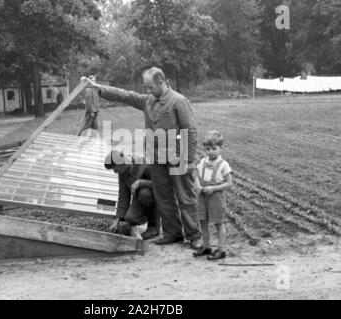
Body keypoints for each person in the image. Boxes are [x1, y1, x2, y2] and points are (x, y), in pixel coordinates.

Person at [82, 67, 202, 248]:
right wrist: (99, 88)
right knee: (164, 198)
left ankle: (194, 236)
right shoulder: (148, 101)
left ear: (161, 82)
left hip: (178, 157)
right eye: (146, 88)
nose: (147, 91)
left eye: (150, 87)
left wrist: (189, 159)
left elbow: (191, 131)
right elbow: (125, 95)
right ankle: (173, 233)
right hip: (156, 159)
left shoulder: (178, 101)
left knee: (185, 197)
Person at [193, 131, 233, 260]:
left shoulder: (223, 165)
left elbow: (229, 183)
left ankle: (221, 250)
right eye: (208, 149)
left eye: (214, 149)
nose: (211, 152)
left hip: (215, 198)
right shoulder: (203, 162)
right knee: (203, 221)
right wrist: (198, 185)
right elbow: (197, 175)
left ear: (221, 148)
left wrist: (214, 188)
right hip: (202, 196)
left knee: (218, 223)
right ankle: (206, 247)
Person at [104, 150, 160, 240]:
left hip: (157, 197)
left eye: (115, 168)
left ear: (121, 163)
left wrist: (140, 183)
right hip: (139, 199)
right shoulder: (123, 172)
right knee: (130, 219)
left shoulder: (145, 164)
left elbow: (160, 184)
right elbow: (123, 195)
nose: (115, 172)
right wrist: (117, 220)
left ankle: (154, 226)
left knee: (145, 194)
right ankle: (144, 216)